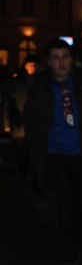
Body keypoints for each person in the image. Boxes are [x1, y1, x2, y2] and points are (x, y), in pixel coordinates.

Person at [24, 38, 82, 265]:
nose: (61, 63)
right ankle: (68, 245)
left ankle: (74, 233)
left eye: (65, 57)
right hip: (56, 152)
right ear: (49, 61)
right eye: (56, 58)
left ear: (71, 59)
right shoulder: (40, 86)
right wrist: (35, 147)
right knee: (65, 198)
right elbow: (30, 119)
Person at [3, 53, 41, 191]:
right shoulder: (17, 83)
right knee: (23, 155)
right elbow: (8, 104)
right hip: (21, 127)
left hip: (37, 127)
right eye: (31, 64)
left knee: (36, 156)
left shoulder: (42, 83)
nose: (33, 67)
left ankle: (35, 182)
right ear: (25, 66)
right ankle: (24, 177)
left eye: (35, 65)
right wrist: (7, 125)